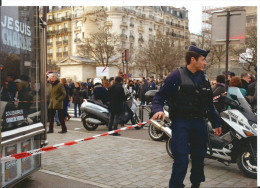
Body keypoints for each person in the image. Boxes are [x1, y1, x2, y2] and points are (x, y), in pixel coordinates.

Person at [152, 45, 222, 188]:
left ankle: (196, 184)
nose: (205, 63)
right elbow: (159, 97)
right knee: (181, 159)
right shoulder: (176, 76)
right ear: (192, 59)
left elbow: (209, 104)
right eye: (203, 60)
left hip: (199, 124)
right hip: (181, 123)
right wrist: (158, 109)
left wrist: (216, 123)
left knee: (199, 158)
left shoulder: (204, 78)